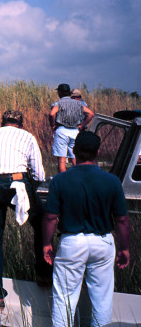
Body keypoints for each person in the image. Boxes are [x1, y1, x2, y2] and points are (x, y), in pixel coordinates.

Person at [43, 131, 131, 327]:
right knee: (102, 299)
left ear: (74, 151)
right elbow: (122, 220)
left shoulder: (60, 180)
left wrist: (47, 243)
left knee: (64, 298)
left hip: (71, 242)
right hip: (103, 241)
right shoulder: (112, 181)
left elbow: (50, 217)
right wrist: (124, 248)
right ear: (97, 152)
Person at [0, 110, 51, 311]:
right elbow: (38, 172)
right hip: (16, 181)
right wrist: (33, 188)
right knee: (42, 223)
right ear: (21, 124)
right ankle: (44, 274)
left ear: (2, 122)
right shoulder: (26, 136)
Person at [49, 83, 94, 173]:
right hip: (75, 131)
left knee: (62, 160)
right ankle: (78, 177)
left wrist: (52, 124)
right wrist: (81, 125)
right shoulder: (78, 104)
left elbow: (52, 114)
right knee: (75, 158)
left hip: (62, 130)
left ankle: (63, 181)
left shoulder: (58, 103)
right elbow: (91, 114)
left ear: (60, 92)